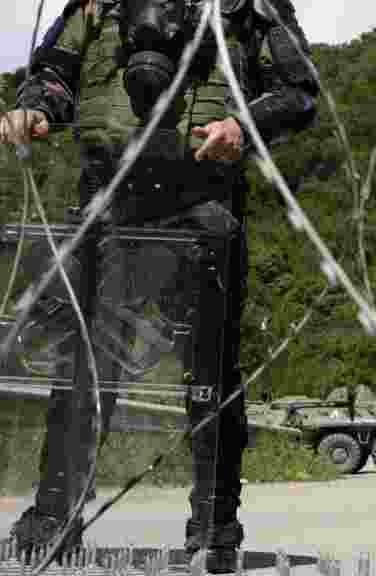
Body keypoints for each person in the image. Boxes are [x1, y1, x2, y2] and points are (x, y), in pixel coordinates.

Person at [0, 0, 317, 571]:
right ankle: (54, 517)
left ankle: (214, 532)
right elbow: (54, 75)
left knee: (211, 375)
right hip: (108, 202)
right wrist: (35, 108)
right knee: (85, 370)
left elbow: (299, 91)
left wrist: (241, 127)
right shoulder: (97, 7)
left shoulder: (244, 7)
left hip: (202, 205)